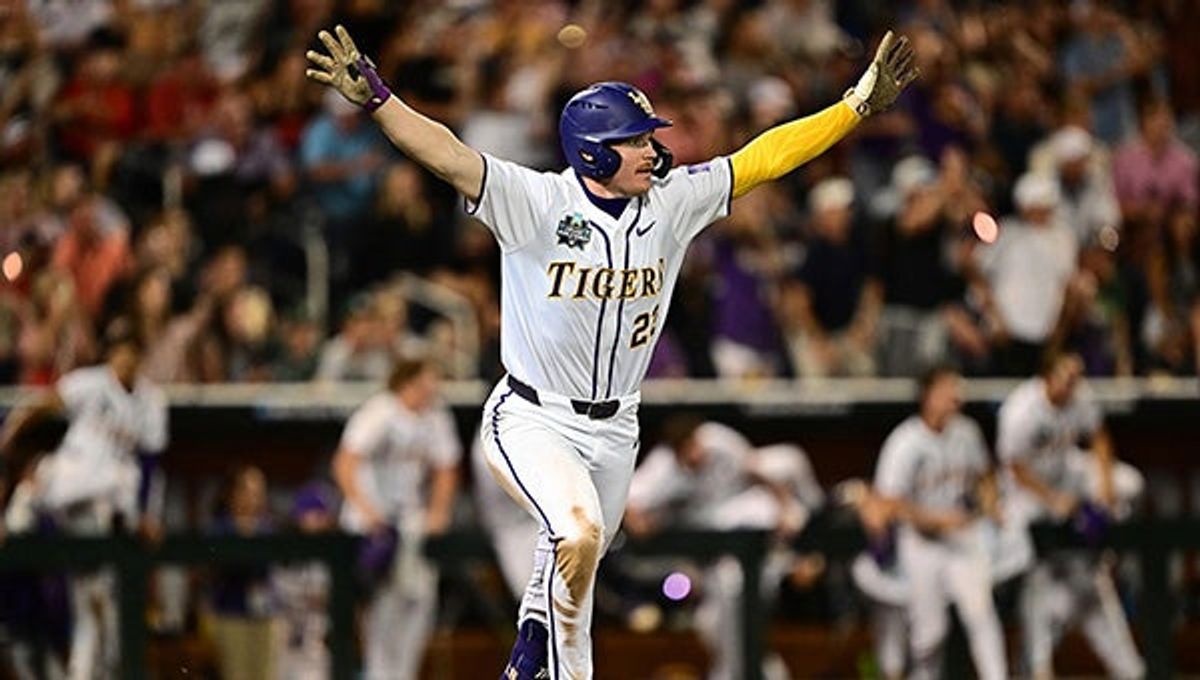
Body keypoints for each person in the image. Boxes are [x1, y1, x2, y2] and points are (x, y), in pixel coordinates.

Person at [306, 23, 917, 679]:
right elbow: (449, 155)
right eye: (635, 140)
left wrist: (852, 106)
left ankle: (531, 649)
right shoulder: (536, 201)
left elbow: (763, 157)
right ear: (593, 153)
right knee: (577, 534)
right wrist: (380, 103)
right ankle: (537, 652)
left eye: (650, 136)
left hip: (617, 426)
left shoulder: (672, 203)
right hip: (533, 415)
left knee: (578, 570)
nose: (653, 150)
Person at [0, 321, 168, 680]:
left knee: (99, 606)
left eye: (131, 349)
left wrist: (145, 516)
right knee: (40, 488)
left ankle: (88, 672)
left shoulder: (152, 401)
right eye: (118, 350)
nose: (124, 358)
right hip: (65, 487)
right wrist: (13, 428)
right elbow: (47, 403)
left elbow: (152, 465)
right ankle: (12, 524)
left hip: (99, 510)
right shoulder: (92, 381)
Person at [624, 417, 824, 680]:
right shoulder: (664, 466)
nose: (696, 453)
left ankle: (809, 540)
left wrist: (785, 505)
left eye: (696, 444)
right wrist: (645, 522)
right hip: (704, 542)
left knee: (788, 462)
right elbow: (630, 505)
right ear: (675, 450)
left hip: (739, 516)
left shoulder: (717, 438)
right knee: (714, 621)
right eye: (687, 449)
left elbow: (756, 469)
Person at [997, 352, 1145, 679]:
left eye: (1077, 377)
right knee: (1027, 557)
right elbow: (1014, 468)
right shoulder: (1020, 410)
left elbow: (1099, 437)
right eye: (1066, 376)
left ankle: (1103, 537)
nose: (1072, 384)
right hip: (1029, 492)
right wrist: (1054, 501)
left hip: (1067, 480)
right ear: (1047, 376)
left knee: (1129, 485)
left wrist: (1104, 483)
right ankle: (1005, 582)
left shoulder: (1081, 397)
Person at [871, 366, 1007, 680]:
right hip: (920, 542)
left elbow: (984, 475)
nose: (955, 397)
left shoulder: (967, 432)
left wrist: (991, 503)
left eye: (956, 389)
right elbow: (888, 503)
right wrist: (936, 519)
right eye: (947, 390)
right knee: (929, 633)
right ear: (928, 395)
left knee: (981, 613)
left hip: (961, 538)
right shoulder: (904, 441)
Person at [330, 355, 460, 680]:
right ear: (407, 381)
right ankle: (376, 673)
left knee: (419, 601)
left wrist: (439, 511)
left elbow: (447, 468)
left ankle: (400, 674)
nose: (432, 387)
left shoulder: (435, 416)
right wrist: (366, 511)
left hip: (410, 522)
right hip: (369, 524)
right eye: (426, 380)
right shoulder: (380, 410)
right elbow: (345, 462)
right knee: (379, 608)